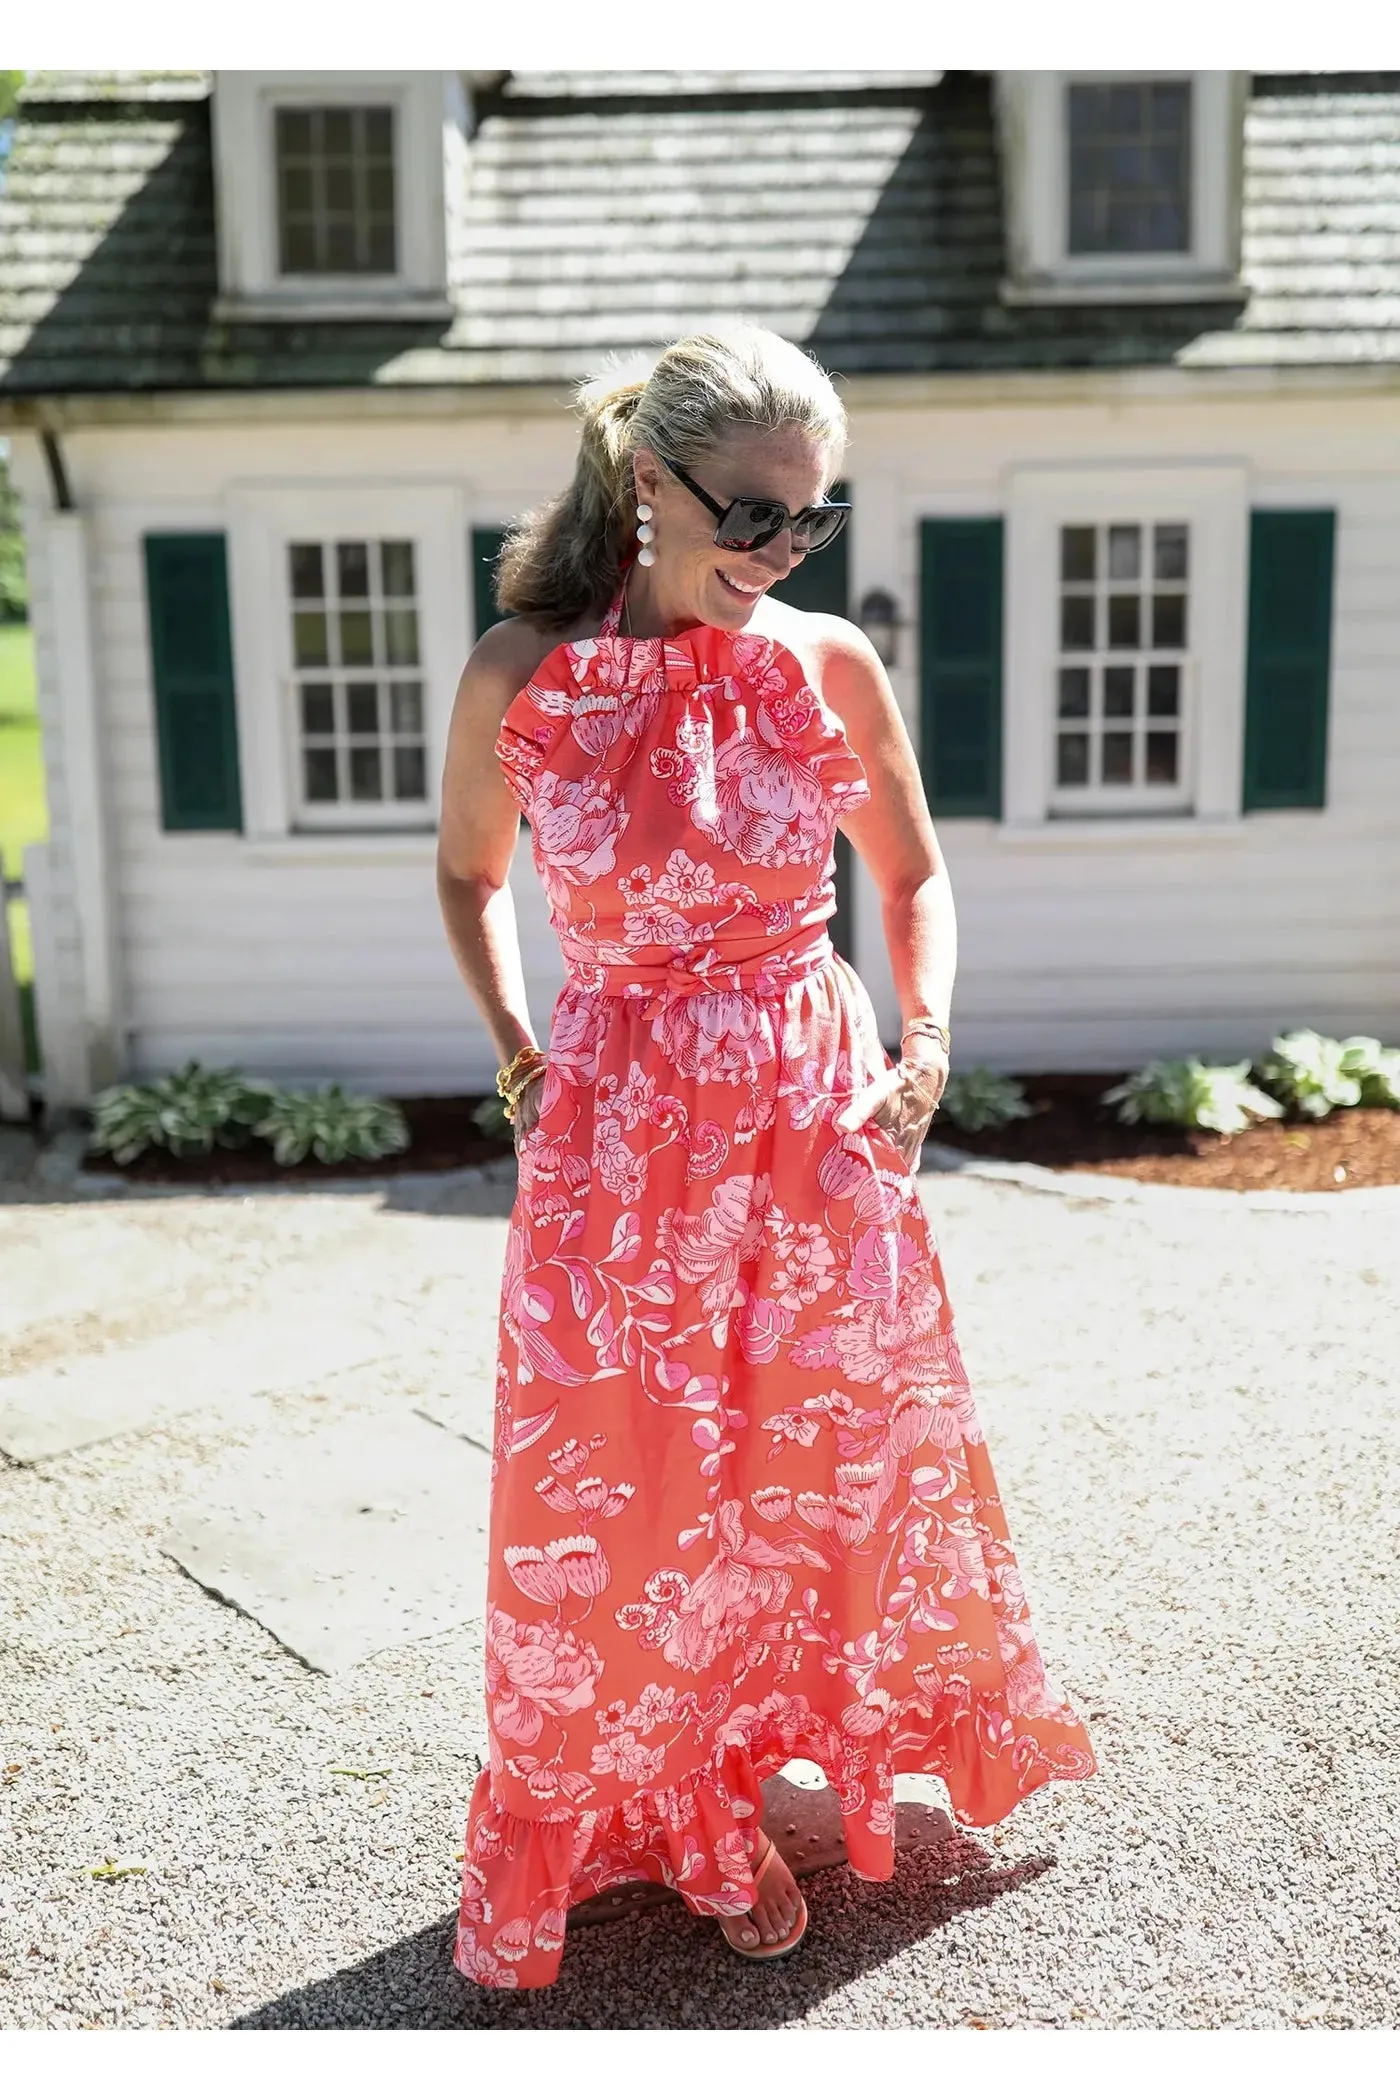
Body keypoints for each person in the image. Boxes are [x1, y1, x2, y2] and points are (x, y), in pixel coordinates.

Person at [436, 324, 1096, 1990]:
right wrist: (522, 1050)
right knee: (623, 1474)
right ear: (650, 482)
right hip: (616, 1131)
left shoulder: (825, 664)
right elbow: (463, 877)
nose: (782, 552)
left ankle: (780, 1765)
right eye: (753, 515)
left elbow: (918, 875)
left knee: (828, 1454)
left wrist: (927, 1044)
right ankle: (675, 1812)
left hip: (813, 1112)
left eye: (813, 520)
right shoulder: (524, 670)